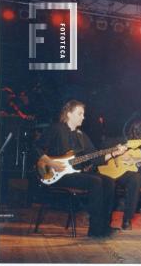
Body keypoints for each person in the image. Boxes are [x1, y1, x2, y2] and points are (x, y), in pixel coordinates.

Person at [35, 100, 127, 238]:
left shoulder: (81, 136)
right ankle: (95, 230)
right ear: (69, 114)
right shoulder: (56, 129)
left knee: (109, 181)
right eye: (80, 113)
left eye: (83, 114)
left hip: (74, 174)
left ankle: (103, 226)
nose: (83, 117)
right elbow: (35, 147)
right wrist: (50, 162)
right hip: (56, 175)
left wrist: (114, 153)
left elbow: (95, 157)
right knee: (95, 182)